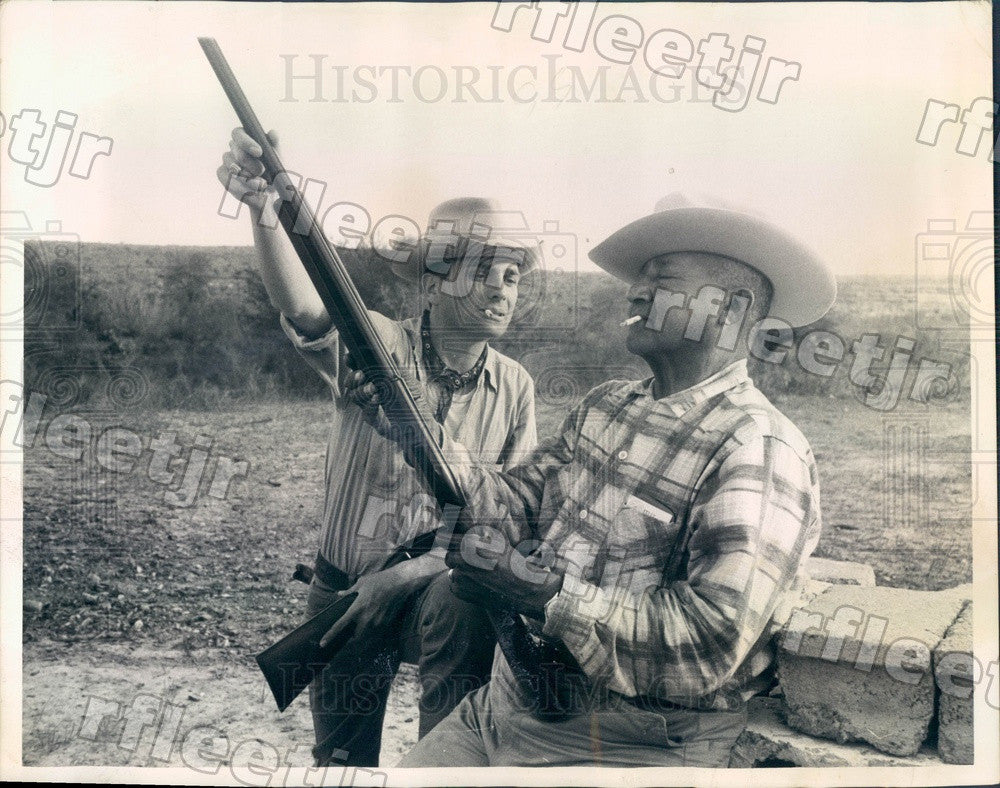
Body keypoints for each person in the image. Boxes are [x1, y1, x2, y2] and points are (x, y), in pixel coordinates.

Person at [353, 192, 837, 767]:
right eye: (640, 279)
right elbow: (509, 505)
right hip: (507, 705)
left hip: (628, 742)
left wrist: (546, 596)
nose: (634, 291)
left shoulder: (757, 446)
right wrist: (417, 432)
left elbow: (711, 640)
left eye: (661, 278)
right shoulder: (605, 406)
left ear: (731, 310)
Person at [216, 128, 539, 767]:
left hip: (434, 595)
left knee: (463, 614)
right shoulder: (377, 346)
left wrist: (402, 577)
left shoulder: (517, 387)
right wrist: (264, 213)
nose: (504, 289)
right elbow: (307, 307)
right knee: (341, 763)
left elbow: (510, 523)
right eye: (483, 271)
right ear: (436, 279)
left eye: (512, 275)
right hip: (341, 594)